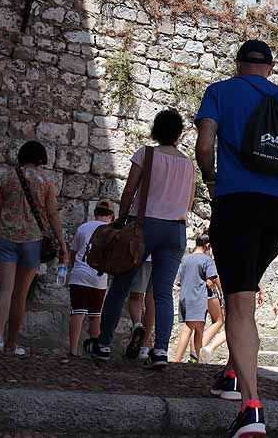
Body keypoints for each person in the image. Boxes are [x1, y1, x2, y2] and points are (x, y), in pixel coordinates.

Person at [195, 39, 278, 438]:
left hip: (237, 200)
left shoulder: (220, 92)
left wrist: (213, 181)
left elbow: (205, 145)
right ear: (271, 68)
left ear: (238, 64)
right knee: (244, 287)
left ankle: (251, 407)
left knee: (240, 301)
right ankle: (232, 372)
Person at [88, 109, 195, 370]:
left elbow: (129, 191)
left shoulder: (146, 154)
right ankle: (160, 351)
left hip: (143, 226)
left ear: (155, 130)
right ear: (179, 134)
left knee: (121, 285)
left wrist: (122, 219)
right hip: (175, 229)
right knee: (163, 293)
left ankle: (103, 344)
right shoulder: (188, 164)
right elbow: (189, 202)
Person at [0, 140, 67, 357]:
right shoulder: (46, 181)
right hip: (32, 241)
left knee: (4, 290)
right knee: (20, 295)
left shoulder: (6, 178)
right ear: (41, 159)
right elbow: (52, 214)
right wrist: (62, 244)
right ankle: (12, 344)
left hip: (5, 237)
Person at [66, 200, 114, 357]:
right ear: (111, 216)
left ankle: (73, 349)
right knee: (95, 315)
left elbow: (73, 254)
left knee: (77, 313)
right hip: (99, 277)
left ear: (95, 213)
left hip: (80, 273)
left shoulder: (83, 227)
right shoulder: (112, 232)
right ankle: (95, 348)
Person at [173, 235, 222, 364]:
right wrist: (219, 292)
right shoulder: (207, 260)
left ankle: (198, 360)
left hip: (185, 296)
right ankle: (177, 360)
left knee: (199, 328)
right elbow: (210, 281)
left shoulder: (185, 259)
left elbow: (179, 280)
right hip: (198, 297)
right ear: (207, 245)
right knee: (188, 329)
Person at [125, 259, 154, 361]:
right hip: (162, 258)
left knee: (136, 295)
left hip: (145, 257)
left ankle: (137, 324)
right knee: (152, 300)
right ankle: (143, 348)